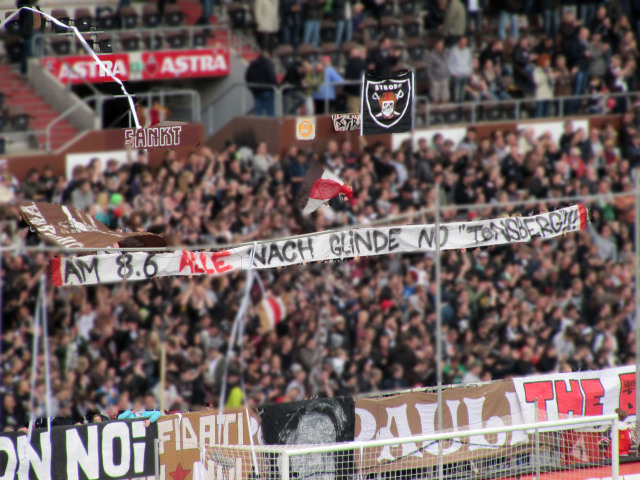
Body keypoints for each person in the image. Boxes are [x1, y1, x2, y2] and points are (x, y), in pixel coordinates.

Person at [245, 50, 278, 117]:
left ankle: (257, 127)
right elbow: (271, 77)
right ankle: (270, 127)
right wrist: (276, 86)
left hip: (256, 91)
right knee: (270, 112)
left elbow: (247, 76)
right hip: (267, 90)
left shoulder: (253, 64)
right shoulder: (268, 63)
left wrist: (251, 88)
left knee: (258, 113)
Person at [17, 0, 44, 76]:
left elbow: (40, 17)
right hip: (30, 33)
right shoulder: (25, 9)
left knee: (39, 51)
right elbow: (23, 22)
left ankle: (38, 70)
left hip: (38, 32)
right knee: (27, 52)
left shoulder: (36, 7)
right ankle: (24, 71)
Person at [447, 36, 472, 103]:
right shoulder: (453, 50)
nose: (464, 43)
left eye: (465, 42)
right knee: (456, 94)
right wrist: (453, 72)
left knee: (462, 95)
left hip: (465, 74)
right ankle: (456, 108)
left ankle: (461, 109)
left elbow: (469, 62)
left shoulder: (467, 51)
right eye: (463, 42)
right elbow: (449, 62)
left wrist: (469, 72)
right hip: (457, 75)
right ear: (459, 42)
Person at [426, 38, 450, 104]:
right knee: (434, 99)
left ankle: (444, 113)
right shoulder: (431, 55)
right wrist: (432, 79)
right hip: (435, 79)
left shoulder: (446, 54)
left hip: (444, 78)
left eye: (442, 45)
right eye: (439, 45)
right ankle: (433, 113)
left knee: (445, 98)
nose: (440, 47)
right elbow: (429, 69)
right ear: (435, 46)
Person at [344, 46, 367, 113]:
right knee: (361, 110)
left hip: (352, 92)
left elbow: (348, 78)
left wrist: (345, 89)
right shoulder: (364, 63)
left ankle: (355, 123)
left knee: (353, 111)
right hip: (362, 90)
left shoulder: (350, 64)